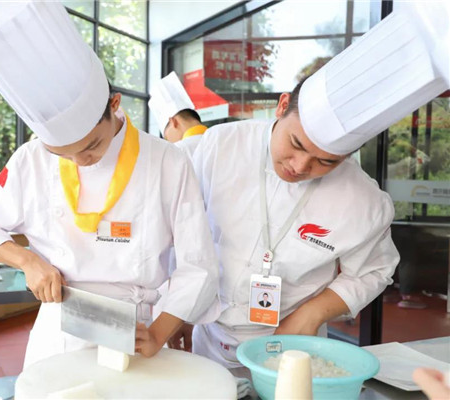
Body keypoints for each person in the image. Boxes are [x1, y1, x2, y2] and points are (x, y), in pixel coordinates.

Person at [0, 0, 219, 368]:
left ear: (115, 104)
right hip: (57, 330)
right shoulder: (31, 158)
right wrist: (27, 261)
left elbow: (198, 266)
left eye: (90, 147)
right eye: (62, 154)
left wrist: (159, 332)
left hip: (135, 331)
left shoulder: (168, 161)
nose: (79, 161)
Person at [183, 0, 450, 387]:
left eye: (326, 161)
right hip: (207, 338)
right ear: (282, 105)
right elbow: (172, 220)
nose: (300, 166)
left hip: (292, 348)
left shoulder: (363, 201)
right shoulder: (218, 146)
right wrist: (171, 309)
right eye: (296, 144)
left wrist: (312, 313)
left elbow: (374, 270)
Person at [149, 71, 207, 159]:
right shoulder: (222, 138)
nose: (169, 142)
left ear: (174, 122)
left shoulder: (175, 152)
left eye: (166, 137)